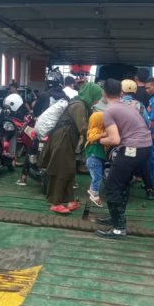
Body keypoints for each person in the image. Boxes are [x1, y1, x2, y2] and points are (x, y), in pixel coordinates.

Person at [96, 79, 153, 239]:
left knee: (111, 186)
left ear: (104, 93)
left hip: (132, 149)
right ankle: (116, 219)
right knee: (122, 184)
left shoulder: (109, 111)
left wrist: (97, 140)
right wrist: (103, 134)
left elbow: (114, 140)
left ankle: (119, 229)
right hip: (145, 147)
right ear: (120, 93)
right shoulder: (127, 106)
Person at [39, 82, 102, 214]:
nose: (97, 101)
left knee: (68, 170)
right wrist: (100, 137)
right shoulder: (79, 106)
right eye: (96, 97)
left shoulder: (81, 104)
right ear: (91, 95)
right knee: (60, 170)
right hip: (62, 139)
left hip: (67, 139)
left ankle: (70, 200)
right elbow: (83, 128)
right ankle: (55, 202)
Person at [120, 79, 154, 200]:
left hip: (127, 142)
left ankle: (124, 189)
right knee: (143, 164)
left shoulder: (117, 105)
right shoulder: (140, 106)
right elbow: (147, 122)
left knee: (125, 164)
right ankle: (150, 190)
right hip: (144, 143)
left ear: (121, 91)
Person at [84, 97, 108, 207]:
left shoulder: (100, 129)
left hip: (96, 157)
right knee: (97, 176)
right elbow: (91, 137)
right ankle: (94, 193)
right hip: (94, 157)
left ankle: (94, 192)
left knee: (98, 175)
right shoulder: (95, 130)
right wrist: (102, 135)